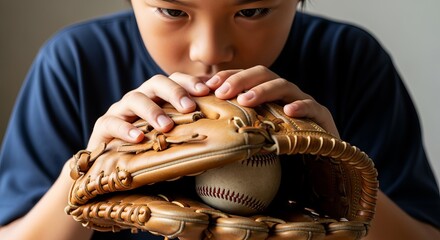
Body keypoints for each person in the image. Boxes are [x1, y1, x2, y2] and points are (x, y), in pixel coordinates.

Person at [0, 0, 439, 239]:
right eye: (173, 11)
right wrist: (85, 174)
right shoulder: (77, 61)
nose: (209, 52)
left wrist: (340, 181)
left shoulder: (350, 59)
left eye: (251, 11)